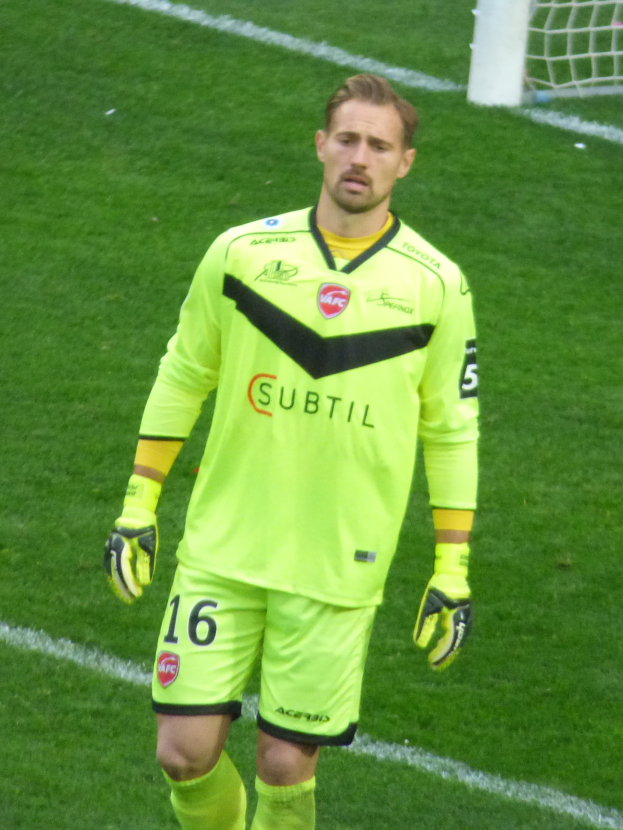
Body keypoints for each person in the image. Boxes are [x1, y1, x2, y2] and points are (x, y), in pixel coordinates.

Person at [104, 73, 479, 830]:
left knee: (284, 763)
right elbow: (184, 374)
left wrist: (451, 568)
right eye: (347, 139)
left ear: (404, 163)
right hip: (225, 546)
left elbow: (451, 428)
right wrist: (138, 504)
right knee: (182, 751)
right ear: (319, 145)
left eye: (379, 146)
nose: (359, 158)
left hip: (337, 564)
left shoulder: (436, 286)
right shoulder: (241, 254)